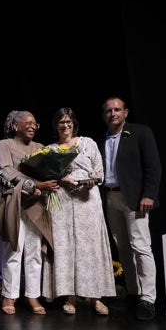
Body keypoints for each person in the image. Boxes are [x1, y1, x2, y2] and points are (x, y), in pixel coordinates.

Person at [42, 107, 116, 315]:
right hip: (62, 201)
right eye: (61, 122)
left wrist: (93, 180)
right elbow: (45, 174)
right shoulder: (51, 149)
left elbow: (100, 170)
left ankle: (96, 298)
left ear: (74, 124)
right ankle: (70, 297)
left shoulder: (88, 143)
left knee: (89, 247)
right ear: (55, 125)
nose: (65, 126)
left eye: (68, 122)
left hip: (87, 199)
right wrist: (61, 179)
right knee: (65, 247)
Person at [99, 96, 161, 320]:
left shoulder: (140, 132)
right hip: (110, 197)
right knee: (122, 247)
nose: (112, 113)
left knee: (141, 246)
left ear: (126, 112)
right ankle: (133, 293)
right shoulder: (102, 139)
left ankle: (148, 299)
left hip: (135, 199)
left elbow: (153, 166)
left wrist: (149, 194)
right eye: (108, 111)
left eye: (117, 109)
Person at [0, 110, 56, 315]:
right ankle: (9, 295)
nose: (32, 126)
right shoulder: (5, 145)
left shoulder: (40, 148)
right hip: (15, 203)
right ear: (15, 126)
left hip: (36, 204)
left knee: (34, 253)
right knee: (13, 250)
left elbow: (50, 171)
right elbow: (6, 171)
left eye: (35, 124)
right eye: (27, 123)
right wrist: (35, 183)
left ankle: (32, 295)